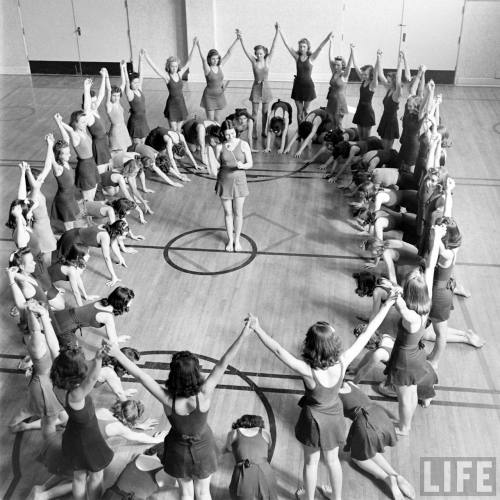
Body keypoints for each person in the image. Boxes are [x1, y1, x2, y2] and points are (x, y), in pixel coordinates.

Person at [246, 296, 395, 500]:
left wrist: (257, 328)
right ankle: (337, 498)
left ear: (311, 345)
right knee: (333, 461)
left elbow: (278, 350)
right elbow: (369, 331)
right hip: (334, 417)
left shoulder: (308, 371)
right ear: (332, 344)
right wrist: (386, 305)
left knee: (310, 463)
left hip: (313, 421)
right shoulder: (343, 361)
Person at [105, 319, 253, 500]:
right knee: (204, 492)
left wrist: (117, 354)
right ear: (196, 373)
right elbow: (223, 363)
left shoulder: (167, 399)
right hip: (204, 448)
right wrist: (244, 335)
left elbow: (141, 375)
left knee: (186, 493)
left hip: (178, 450)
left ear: (173, 374)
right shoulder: (205, 393)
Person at [50, 345, 114, 500]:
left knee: (79, 478)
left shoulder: (60, 387)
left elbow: (81, 369)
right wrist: (99, 359)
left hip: (73, 437)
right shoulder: (77, 394)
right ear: (77, 372)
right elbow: (92, 378)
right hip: (88, 441)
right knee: (96, 476)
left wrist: (96, 357)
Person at [8, 299, 68, 437]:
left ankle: (17, 426)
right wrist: (31, 312)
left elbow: (54, 347)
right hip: (43, 387)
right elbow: (37, 331)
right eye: (41, 315)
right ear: (35, 319)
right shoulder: (37, 341)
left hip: (43, 383)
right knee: (55, 420)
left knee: (30, 410)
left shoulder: (39, 337)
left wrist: (41, 315)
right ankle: (47, 446)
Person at [208, 119, 253, 252]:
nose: (230, 137)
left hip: (239, 182)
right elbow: (217, 164)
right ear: (223, 134)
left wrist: (243, 165)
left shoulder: (244, 144)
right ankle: (230, 240)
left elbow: (250, 163)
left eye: (232, 133)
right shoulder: (220, 147)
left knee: (238, 212)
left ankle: (237, 240)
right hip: (224, 181)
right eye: (227, 135)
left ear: (236, 131)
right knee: (228, 213)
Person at [277, 23, 331, 124]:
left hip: (308, 87)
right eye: (300, 46)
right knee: (299, 111)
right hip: (297, 86)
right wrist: (280, 31)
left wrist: (328, 38)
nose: (302, 48)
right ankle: (300, 131)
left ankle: (306, 129)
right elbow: (287, 45)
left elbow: (320, 47)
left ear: (307, 48)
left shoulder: (311, 58)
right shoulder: (297, 57)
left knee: (306, 111)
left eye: (304, 47)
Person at [52, 286, 134, 347]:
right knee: (73, 353)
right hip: (65, 326)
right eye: (129, 302)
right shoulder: (107, 317)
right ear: (121, 303)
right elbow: (113, 343)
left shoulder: (103, 302)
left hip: (63, 314)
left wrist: (116, 338)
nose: (131, 303)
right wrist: (117, 342)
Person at [142, 39, 197, 131]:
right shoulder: (167, 77)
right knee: (173, 129)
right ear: (168, 67)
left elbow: (189, 62)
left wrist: (194, 46)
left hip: (181, 103)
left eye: (176, 66)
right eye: (172, 66)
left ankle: (179, 143)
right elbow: (155, 68)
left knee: (179, 129)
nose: (174, 68)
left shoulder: (179, 74)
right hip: (172, 105)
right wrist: (146, 56)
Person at [19, 139, 58, 266]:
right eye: (39, 180)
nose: (43, 181)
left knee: (46, 258)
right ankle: (46, 282)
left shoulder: (32, 193)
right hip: (42, 229)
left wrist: (50, 145)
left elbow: (47, 167)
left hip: (44, 226)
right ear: (33, 183)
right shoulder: (32, 197)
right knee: (46, 260)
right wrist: (27, 171)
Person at [236, 24, 279, 140]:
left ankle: (264, 131)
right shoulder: (254, 62)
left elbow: (274, 46)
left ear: (264, 53)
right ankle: (254, 130)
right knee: (254, 113)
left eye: (261, 53)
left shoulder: (267, 61)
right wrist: (241, 38)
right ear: (255, 54)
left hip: (266, 89)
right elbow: (245, 50)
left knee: (265, 112)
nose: (259, 55)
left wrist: (277, 32)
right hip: (256, 88)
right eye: (257, 53)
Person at [56, 222, 130, 287]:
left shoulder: (108, 228)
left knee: (83, 258)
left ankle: (57, 239)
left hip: (73, 232)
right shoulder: (105, 236)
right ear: (116, 232)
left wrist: (121, 258)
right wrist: (114, 276)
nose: (124, 238)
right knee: (70, 265)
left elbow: (114, 243)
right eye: (123, 235)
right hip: (72, 239)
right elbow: (107, 258)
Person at [226, 414, 278, 500]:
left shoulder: (233, 433)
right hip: (266, 474)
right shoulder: (265, 433)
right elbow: (269, 447)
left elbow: (228, 448)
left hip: (242, 477)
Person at [54, 111, 99, 201]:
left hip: (92, 164)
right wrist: (59, 122)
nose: (85, 123)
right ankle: (86, 212)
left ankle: (88, 211)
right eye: (82, 122)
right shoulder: (76, 136)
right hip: (85, 168)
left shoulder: (84, 131)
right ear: (75, 123)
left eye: (85, 121)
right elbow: (70, 130)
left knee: (93, 193)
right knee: (88, 199)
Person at [197, 37, 239, 122]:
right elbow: (203, 60)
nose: (215, 60)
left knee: (217, 119)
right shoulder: (207, 69)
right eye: (213, 58)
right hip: (209, 96)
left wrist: (237, 39)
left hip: (219, 95)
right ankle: (209, 134)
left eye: (217, 58)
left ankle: (217, 134)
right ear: (209, 59)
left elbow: (229, 53)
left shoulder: (220, 66)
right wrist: (198, 46)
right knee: (210, 119)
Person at [49, 137, 80, 230]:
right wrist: (49, 145)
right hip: (64, 201)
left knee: (74, 224)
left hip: (70, 198)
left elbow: (66, 137)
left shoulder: (66, 163)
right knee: (69, 228)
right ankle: (69, 243)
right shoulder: (58, 169)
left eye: (69, 152)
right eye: (66, 153)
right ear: (59, 155)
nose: (69, 155)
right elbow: (51, 159)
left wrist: (60, 123)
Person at [376, 51, 404, 150]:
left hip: (391, 122)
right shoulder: (389, 89)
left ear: (394, 81)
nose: (387, 82)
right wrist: (379, 58)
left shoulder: (396, 94)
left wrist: (400, 62)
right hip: (385, 118)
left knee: (388, 148)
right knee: (383, 145)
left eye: (389, 81)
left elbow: (399, 79)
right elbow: (380, 74)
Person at [351, 48, 380, 139]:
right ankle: (360, 151)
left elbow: (375, 72)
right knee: (360, 136)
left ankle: (365, 152)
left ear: (370, 75)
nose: (363, 76)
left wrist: (378, 57)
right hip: (360, 109)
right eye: (363, 74)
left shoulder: (373, 84)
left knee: (365, 138)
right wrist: (352, 50)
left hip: (367, 112)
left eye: (365, 74)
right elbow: (355, 66)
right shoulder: (364, 80)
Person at [83, 74, 112, 165]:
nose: (95, 103)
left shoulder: (94, 109)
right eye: (93, 102)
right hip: (98, 145)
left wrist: (103, 77)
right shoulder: (88, 115)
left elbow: (102, 94)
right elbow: (87, 107)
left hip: (104, 142)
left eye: (95, 101)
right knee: (101, 167)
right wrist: (86, 89)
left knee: (107, 165)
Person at [105, 61, 132, 153]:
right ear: (110, 95)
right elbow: (108, 89)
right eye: (114, 96)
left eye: (117, 95)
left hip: (123, 128)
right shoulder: (109, 105)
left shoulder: (118, 101)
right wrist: (106, 75)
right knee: (117, 151)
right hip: (116, 130)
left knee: (125, 150)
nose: (116, 98)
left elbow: (123, 82)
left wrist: (122, 67)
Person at [326, 38, 353, 128]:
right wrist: (331, 43)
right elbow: (330, 58)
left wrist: (352, 52)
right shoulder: (334, 72)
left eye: (338, 65)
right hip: (331, 101)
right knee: (332, 123)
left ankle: (340, 140)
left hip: (339, 102)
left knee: (339, 124)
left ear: (342, 66)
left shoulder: (344, 75)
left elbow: (349, 66)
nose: (336, 66)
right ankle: (333, 140)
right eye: (335, 64)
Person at [125, 50, 150, 144]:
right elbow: (127, 82)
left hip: (143, 120)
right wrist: (124, 69)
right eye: (134, 82)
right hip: (135, 123)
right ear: (130, 83)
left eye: (137, 82)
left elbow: (141, 74)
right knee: (137, 145)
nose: (136, 84)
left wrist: (141, 59)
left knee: (143, 143)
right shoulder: (130, 93)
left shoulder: (139, 88)